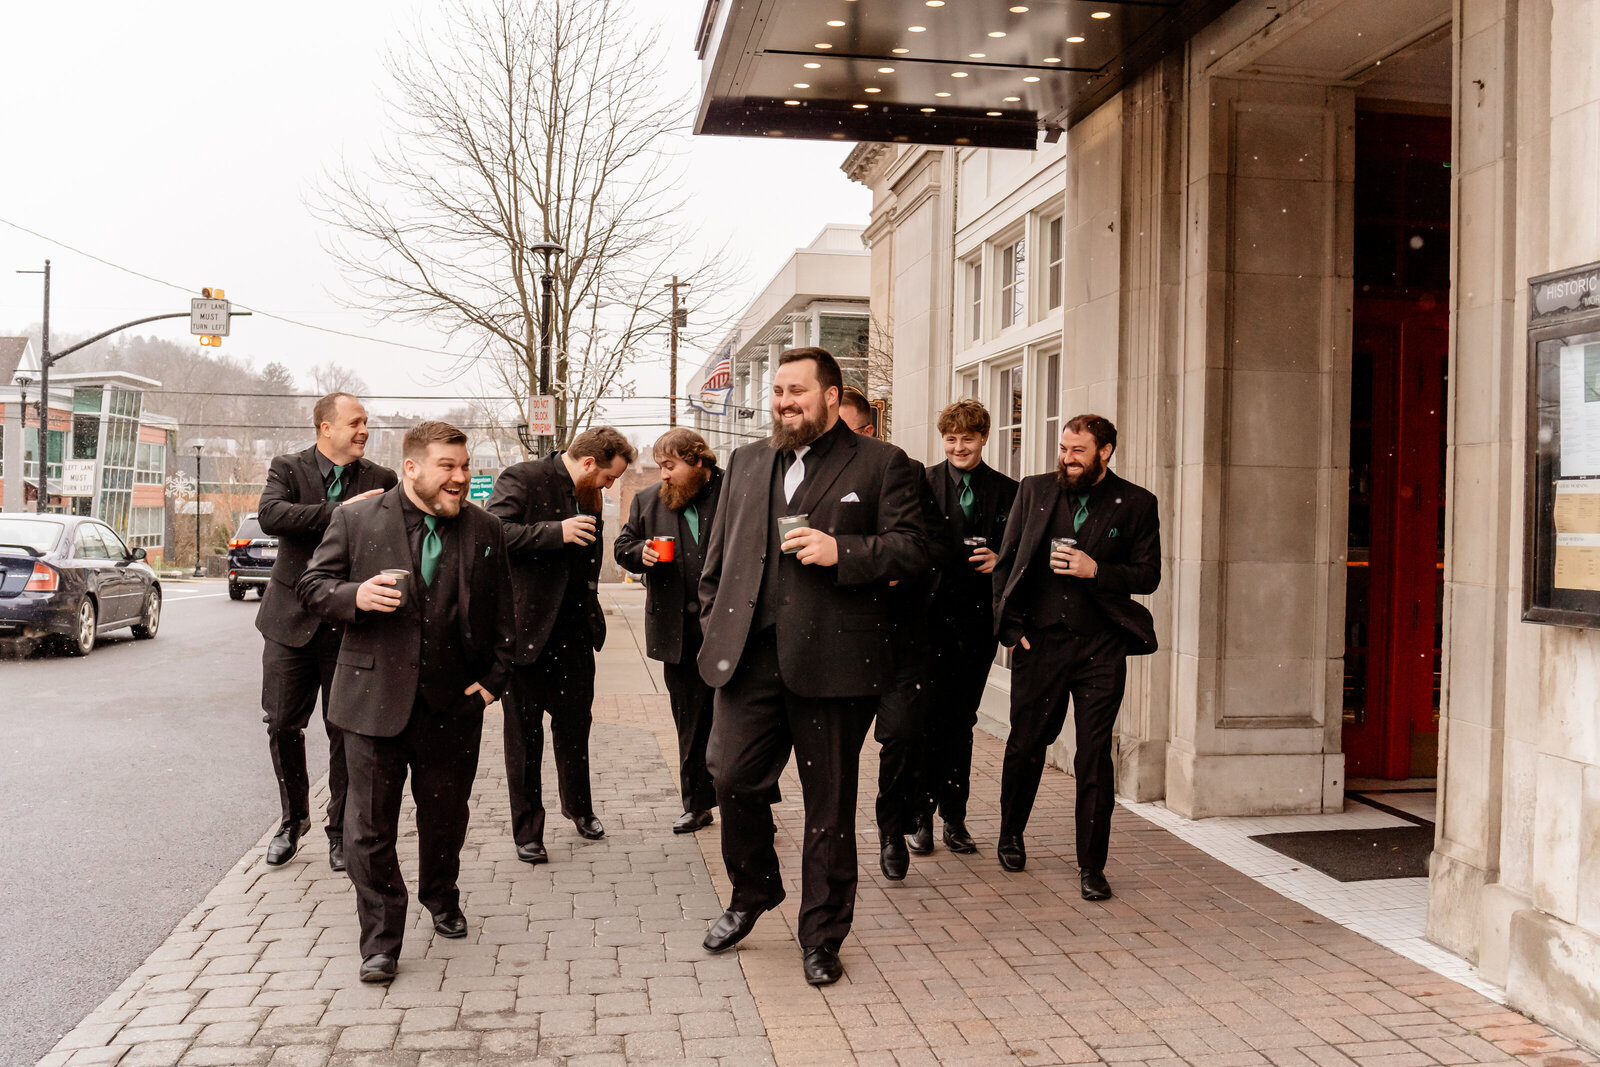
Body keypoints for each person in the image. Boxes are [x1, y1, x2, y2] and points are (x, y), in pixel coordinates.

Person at [697, 347, 929, 986]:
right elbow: (717, 562)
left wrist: (843, 550)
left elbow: (915, 552)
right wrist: (712, 625)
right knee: (731, 776)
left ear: (832, 395)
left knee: (829, 806)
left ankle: (822, 934)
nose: (782, 402)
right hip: (749, 659)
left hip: (835, 663)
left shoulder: (883, 465)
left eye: (796, 391)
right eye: (777, 392)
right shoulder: (746, 463)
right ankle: (755, 889)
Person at [297, 420, 515, 983]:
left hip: (452, 705)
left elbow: (504, 618)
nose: (460, 478)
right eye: (448, 467)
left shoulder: (486, 529)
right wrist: (355, 596)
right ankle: (381, 939)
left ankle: (441, 897)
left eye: (464, 467)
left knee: (445, 819)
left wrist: (494, 681)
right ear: (413, 467)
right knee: (367, 829)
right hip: (371, 701)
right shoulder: (356, 518)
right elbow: (312, 586)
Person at [990, 414, 1160, 901]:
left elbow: (1148, 575)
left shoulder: (1137, 503)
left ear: (1106, 451)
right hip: (1040, 642)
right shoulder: (1035, 489)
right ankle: (1011, 834)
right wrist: (1011, 629)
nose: (1066, 458)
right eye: (1063, 448)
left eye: (1078, 451)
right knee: (1026, 744)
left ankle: (1092, 865)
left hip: (1100, 646)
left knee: (1094, 754)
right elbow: (1007, 563)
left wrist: (1096, 570)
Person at [254, 392, 397, 870]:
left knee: (346, 732)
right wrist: (342, 511)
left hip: (350, 624)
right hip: (288, 622)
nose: (363, 431)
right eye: (355, 422)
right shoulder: (288, 469)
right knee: (282, 725)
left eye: (366, 423)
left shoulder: (382, 480)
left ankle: (341, 831)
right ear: (325, 428)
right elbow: (273, 516)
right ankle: (293, 821)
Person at [486, 426, 636, 864]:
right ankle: (528, 831)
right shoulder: (522, 477)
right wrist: (555, 532)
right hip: (526, 636)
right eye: (609, 478)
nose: (610, 486)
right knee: (524, 739)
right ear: (589, 463)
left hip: (574, 636)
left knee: (575, 730)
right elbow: (493, 536)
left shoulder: (589, 491)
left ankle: (579, 808)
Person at [839, 386, 945, 882]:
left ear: (870, 428)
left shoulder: (903, 472)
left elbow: (931, 545)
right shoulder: (810, 479)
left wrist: (904, 565)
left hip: (901, 633)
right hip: (841, 636)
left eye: (849, 429)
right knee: (837, 750)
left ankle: (892, 830)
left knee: (902, 737)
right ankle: (835, 842)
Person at [912, 398, 1018, 857]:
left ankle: (954, 818)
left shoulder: (1010, 491)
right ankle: (920, 818)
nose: (958, 446)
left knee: (961, 722)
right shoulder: (922, 484)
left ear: (983, 439)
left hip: (976, 625)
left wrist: (1001, 561)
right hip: (926, 622)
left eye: (967, 439)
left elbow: (1022, 554)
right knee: (923, 721)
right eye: (951, 439)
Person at [614, 429, 724, 834]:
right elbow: (622, 545)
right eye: (660, 466)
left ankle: (751, 801)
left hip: (731, 629)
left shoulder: (734, 493)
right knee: (691, 722)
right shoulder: (649, 501)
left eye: (670, 466)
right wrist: (637, 553)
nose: (664, 475)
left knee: (743, 722)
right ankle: (697, 803)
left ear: (699, 461)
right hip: (678, 632)